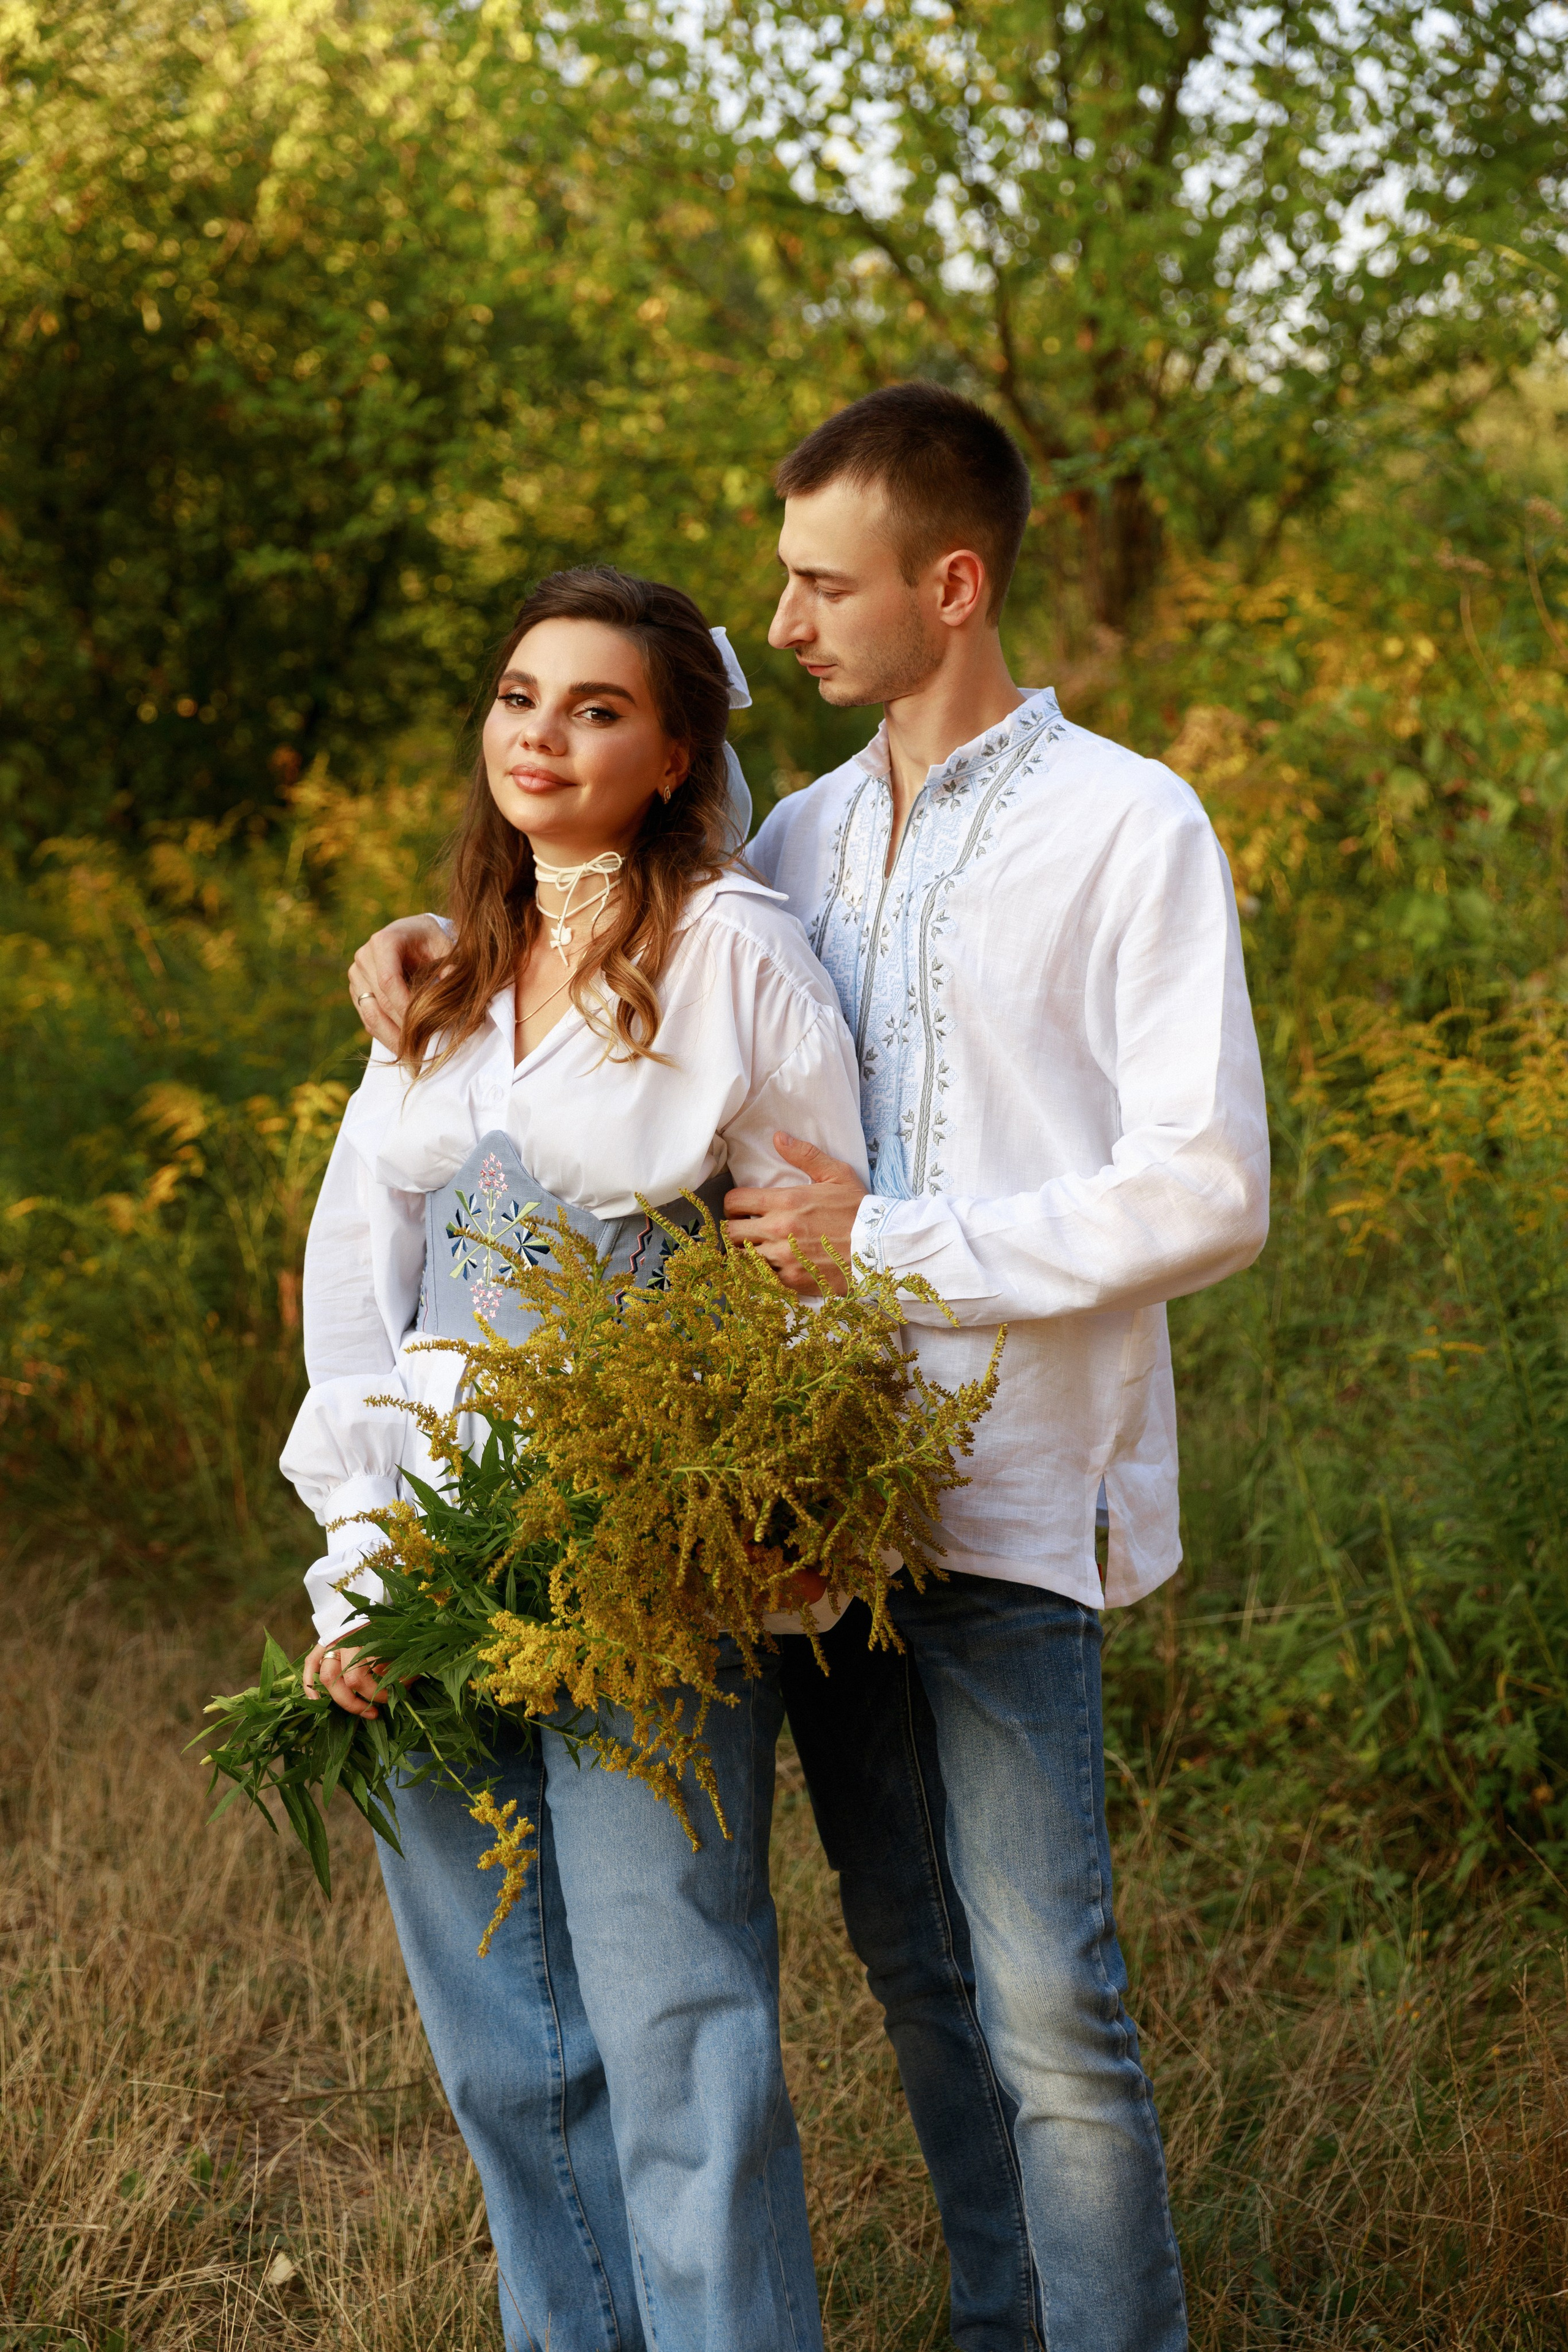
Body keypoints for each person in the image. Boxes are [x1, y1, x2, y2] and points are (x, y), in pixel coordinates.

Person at [353, 386, 1271, 2352]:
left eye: (823, 586)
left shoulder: (1131, 823)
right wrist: (442, 933)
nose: (781, 624)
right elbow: (628, 920)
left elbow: (1209, 1188)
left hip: (1010, 1486)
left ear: (955, 586)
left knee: (1052, 2007)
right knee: (920, 1981)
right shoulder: (805, 833)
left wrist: (897, 1245)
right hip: (805, 1530)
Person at [282, 566, 869, 2352]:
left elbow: (823, 1259)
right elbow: (361, 1294)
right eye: (521, 697)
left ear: (677, 752)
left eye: (598, 708)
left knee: (678, 2030)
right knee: (506, 2046)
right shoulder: (444, 979)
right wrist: (363, 1561)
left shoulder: (735, 955)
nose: (542, 736)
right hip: (436, 1556)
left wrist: (777, 1507)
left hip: (645, 1559)